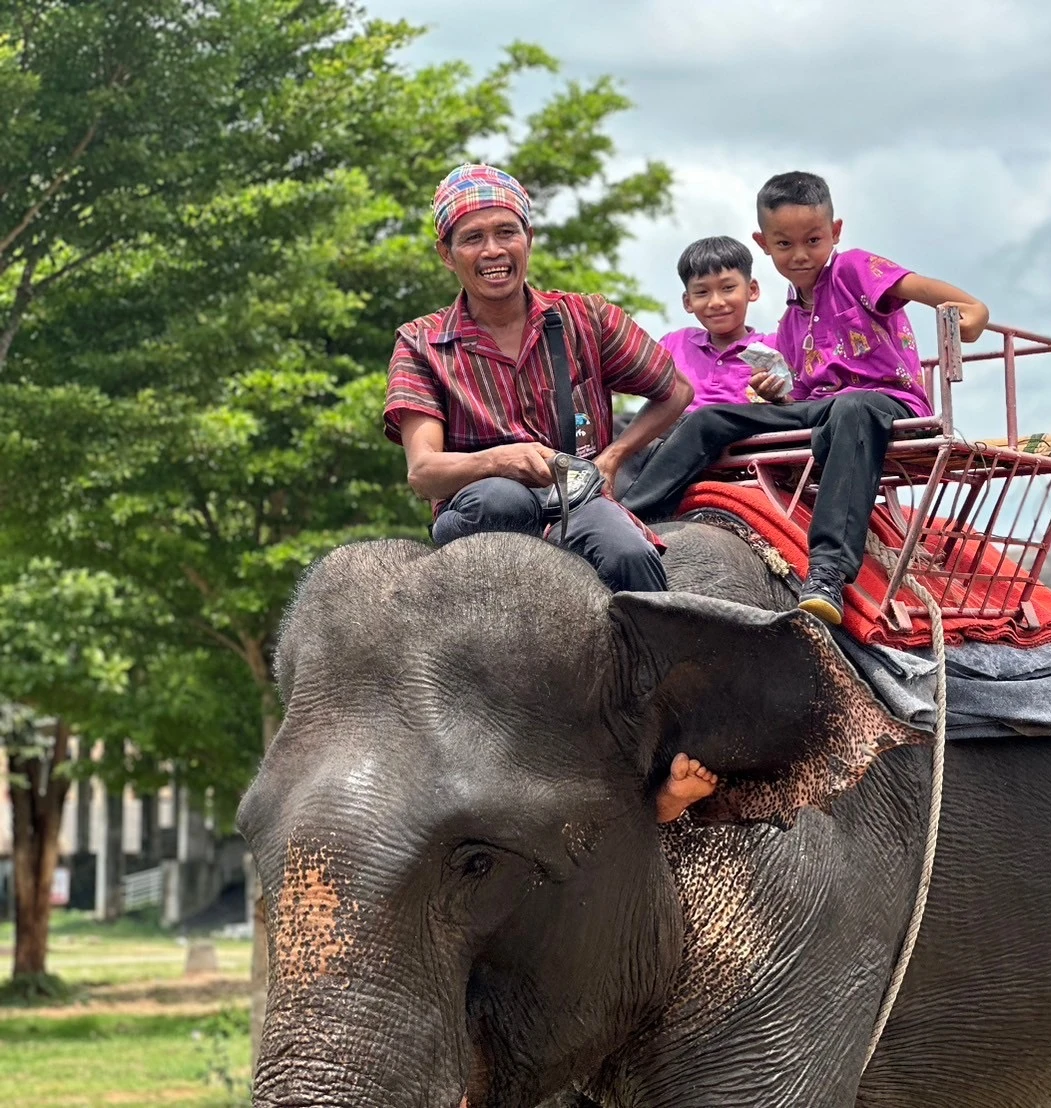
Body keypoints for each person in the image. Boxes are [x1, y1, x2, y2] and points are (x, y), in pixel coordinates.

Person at [384, 163, 714, 822]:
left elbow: (674, 391)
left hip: (578, 495)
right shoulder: (421, 343)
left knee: (630, 554)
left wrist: (616, 456)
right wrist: (496, 460)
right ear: (445, 253)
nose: (492, 251)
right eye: (472, 238)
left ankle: (661, 756)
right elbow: (423, 471)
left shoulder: (585, 319)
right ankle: (501, 705)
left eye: (505, 232)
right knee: (501, 502)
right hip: (480, 507)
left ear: (527, 237)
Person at [624, 170, 990, 625]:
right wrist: (774, 396)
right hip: (822, 412)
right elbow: (801, 394)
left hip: (886, 403)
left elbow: (924, 289)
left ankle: (829, 573)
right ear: (763, 243)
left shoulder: (853, 268)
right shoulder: (791, 320)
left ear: (835, 233)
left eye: (813, 240)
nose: (799, 255)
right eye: (784, 245)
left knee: (852, 407)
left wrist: (973, 310)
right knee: (712, 417)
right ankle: (629, 517)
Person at [660, 235, 776, 411]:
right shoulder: (676, 344)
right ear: (688, 302)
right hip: (674, 434)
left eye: (728, 288)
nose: (716, 302)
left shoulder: (774, 347)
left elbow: (797, 400)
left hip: (743, 432)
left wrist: (777, 395)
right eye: (701, 292)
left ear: (751, 290)